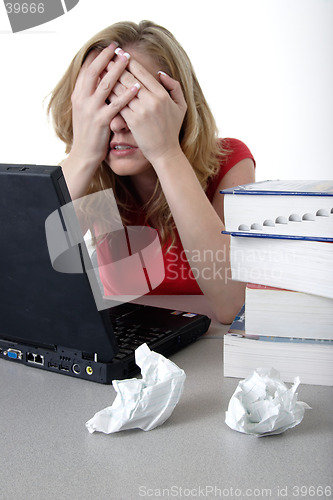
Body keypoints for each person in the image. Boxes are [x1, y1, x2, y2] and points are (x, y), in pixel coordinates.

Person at [47, 20, 255, 324]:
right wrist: (83, 155)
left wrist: (165, 151)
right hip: (129, 350)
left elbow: (235, 306)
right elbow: (19, 287)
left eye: (135, 101)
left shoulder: (231, 161)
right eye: (102, 103)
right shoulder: (88, 176)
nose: (117, 124)